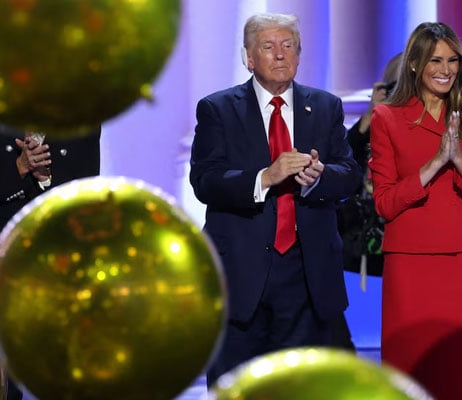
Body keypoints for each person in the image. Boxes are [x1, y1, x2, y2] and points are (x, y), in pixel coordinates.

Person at [189, 13, 362, 386]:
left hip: (306, 275)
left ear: (299, 56)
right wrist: (266, 177)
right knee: (235, 386)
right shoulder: (218, 109)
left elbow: (350, 174)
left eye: (288, 46)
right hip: (240, 274)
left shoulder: (327, 106)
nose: (280, 55)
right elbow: (205, 180)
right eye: (268, 46)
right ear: (249, 58)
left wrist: (319, 178)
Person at [369, 22, 462, 399]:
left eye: (452, 60)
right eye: (435, 61)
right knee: (413, 368)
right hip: (412, 263)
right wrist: (431, 166)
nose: (446, 69)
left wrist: (458, 160)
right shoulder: (387, 119)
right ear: (414, 65)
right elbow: (384, 203)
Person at [0, 121, 101, 400]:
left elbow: (86, 188)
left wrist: (46, 177)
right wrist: (19, 169)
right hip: (2, 257)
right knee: (4, 371)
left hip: (61, 258)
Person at [338, 52, 402, 278]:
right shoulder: (372, 126)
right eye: (398, 87)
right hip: (364, 247)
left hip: (411, 246)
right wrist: (371, 114)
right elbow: (342, 161)